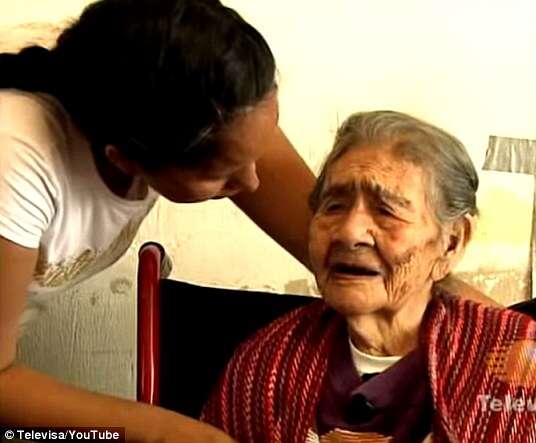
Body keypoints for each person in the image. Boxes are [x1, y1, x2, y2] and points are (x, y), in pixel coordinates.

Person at [0, 0, 312, 441]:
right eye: (221, 176)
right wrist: (167, 432)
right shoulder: (16, 159)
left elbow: (319, 237)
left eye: (256, 154)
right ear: (125, 158)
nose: (254, 182)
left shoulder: (204, 98)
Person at [201, 111, 536, 442]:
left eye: (387, 211)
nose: (350, 232)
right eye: (334, 205)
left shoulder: (520, 362)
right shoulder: (264, 364)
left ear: (451, 243)